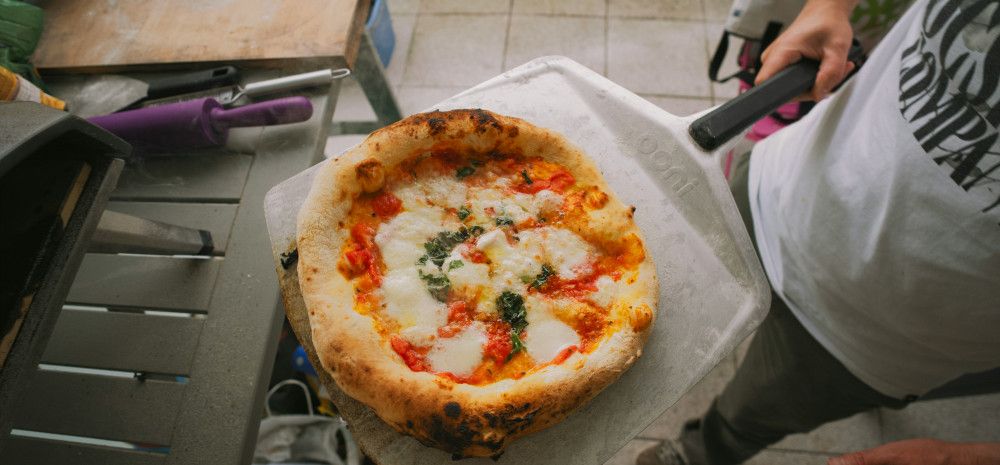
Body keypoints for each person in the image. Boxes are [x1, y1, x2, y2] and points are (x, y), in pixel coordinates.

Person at [637, 0, 1000, 463]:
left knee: (743, 420)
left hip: (884, 336)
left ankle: (695, 454)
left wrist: (969, 456)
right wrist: (828, 6)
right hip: (783, 178)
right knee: (668, 293)